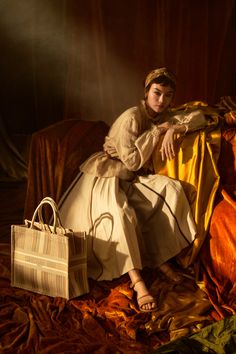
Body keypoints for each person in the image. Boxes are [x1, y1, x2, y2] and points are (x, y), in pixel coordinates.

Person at [59, 67, 209, 312]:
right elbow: (131, 161)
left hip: (133, 177)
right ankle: (138, 281)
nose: (162, 101)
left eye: (168, 95)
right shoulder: (132, 116)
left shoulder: (163, 116)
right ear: (146, 91)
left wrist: (173, 128)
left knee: (171, 189)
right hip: (106, 175)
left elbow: (199, 116)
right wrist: (157, 131)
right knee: (121, 214)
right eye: (157, 93)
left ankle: (158, 258)